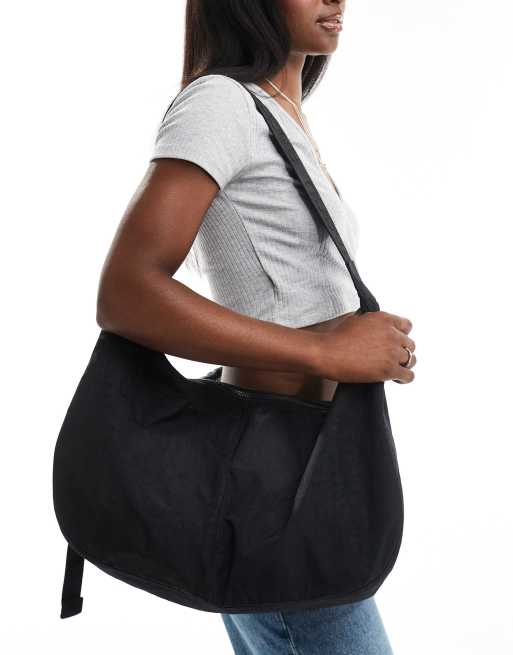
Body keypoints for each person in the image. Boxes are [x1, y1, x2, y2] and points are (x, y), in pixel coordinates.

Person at [96, 0, 416, 653]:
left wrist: (358, 344)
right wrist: (325, 353)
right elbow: (126, 293)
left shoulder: (275, 111)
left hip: (308, 473)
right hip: (278, 490)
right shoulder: (221, 105)